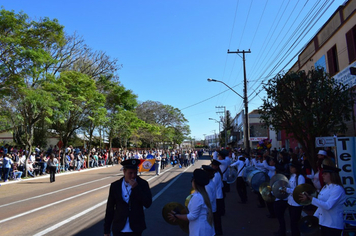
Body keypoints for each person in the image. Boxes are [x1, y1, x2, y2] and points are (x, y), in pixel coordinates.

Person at [104, 159, 152, 236]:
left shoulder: (143, 184)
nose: (133, 175)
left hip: (136, 228)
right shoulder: (115, 186)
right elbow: (110, 208)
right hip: (119, 228)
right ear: (124, 172)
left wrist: (136, 188)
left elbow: (147, 203)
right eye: (130, 173)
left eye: (135, 172)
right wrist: (106, 230)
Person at [299, 161, 346, 236]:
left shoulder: (337, 189)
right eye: (323, 173)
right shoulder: (325, 187)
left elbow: (328, 206)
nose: (322, 175)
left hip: (333, 224)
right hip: (324, 222)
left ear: (332, 175)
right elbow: (321, 205)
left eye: (325, 174)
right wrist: (314, 217)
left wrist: (311, 199)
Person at [168, 169, 214, 236]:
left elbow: (192, 216)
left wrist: (177, 216)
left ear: (194, 182)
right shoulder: (203, 193)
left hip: (199, 230)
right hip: (205, 227)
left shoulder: (197, 197)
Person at [286, 160, 305, 236]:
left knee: (295, 222)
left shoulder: (300, 177)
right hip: (290, 201)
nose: (290, 168)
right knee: (292, 221)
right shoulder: (292, 176)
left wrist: (287, 190)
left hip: (297, 203)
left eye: (292, 167)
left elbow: (299, 190)